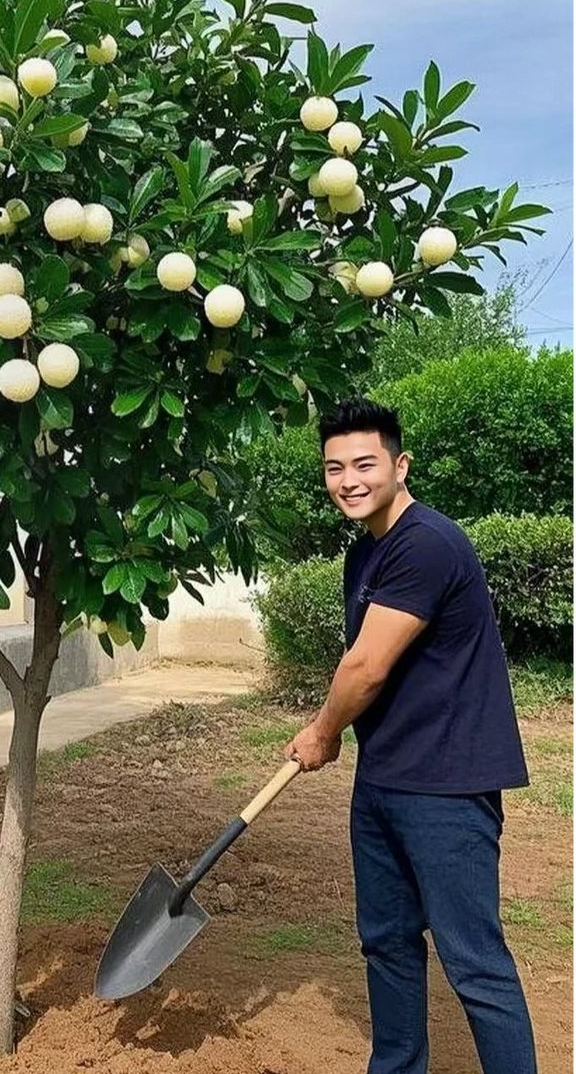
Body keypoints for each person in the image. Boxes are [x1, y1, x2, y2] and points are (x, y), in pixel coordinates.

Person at [283, 397, 537, 1074]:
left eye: (365, 464)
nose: (349, 480)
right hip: (386, 779)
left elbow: (365, 667)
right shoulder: (364, 554)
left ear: (400, 465)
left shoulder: (425, 543)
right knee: (387, 943)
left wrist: (321, 731)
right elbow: (367, 666)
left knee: (475, 962)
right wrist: (337, 731)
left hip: (447, 788)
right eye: (334, 468)